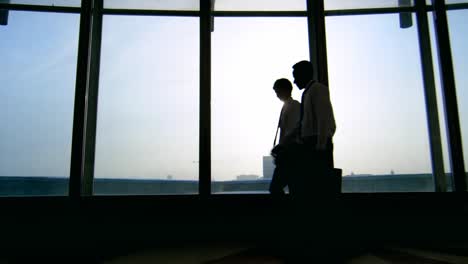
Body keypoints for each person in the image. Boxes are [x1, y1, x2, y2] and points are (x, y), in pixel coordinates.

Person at [290, 60, 336, 197]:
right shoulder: (309, 92)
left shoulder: (317, 90)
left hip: (316, 144)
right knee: (313, 187)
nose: (294, 81)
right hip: (312, 143)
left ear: (304, 75)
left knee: (318, 188)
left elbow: (324, 120)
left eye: (296, 76)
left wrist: (320, 146)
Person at [269, 79, 300, 195]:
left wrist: (280, 146)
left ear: (286, 90)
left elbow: (294, 130)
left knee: (275, 188)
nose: (277, 95)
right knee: (293, 187)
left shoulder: (293, 106)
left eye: (278, 92)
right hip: (289, 153)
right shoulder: (289, 106)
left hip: (290, 154)